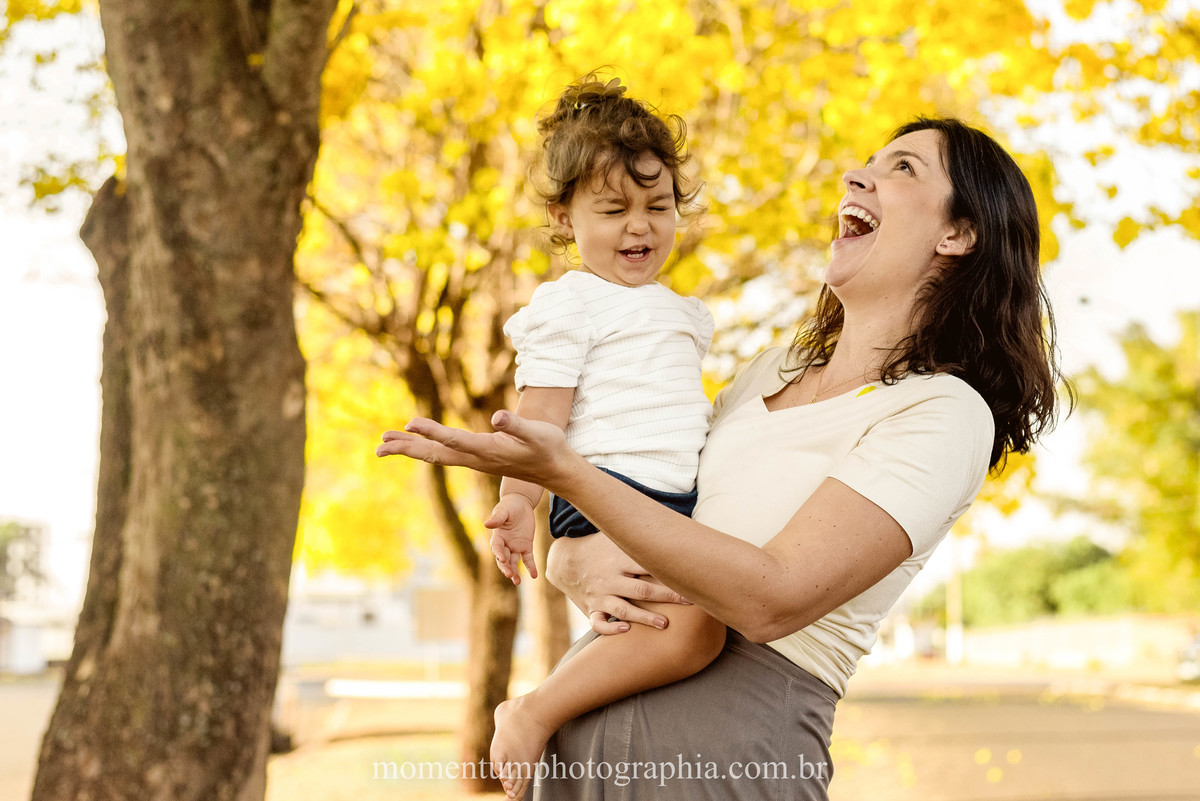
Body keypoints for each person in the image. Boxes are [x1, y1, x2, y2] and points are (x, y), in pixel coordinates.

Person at [378, 116, 1065, 800]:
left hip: (730, 763)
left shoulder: (943, 411)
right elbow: (648, 499)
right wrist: (567, 558)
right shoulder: (772, 369)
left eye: (904, 167)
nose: (857, 175)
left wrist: (568, 479)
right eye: (869, 161)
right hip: (579, 750)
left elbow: (772, 598)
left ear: (958, 233)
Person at [478, 74, 725, 800]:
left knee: (668, 629)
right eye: (613, 209)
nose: (639, 227)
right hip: (607, 497)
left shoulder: (683, 313)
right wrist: (518, 503)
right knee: (689, 629)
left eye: (658, 206)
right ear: (564, 217)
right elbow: (539, 417)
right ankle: (531, 711)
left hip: (673, 505)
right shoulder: (570, 305)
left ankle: (582, 735)